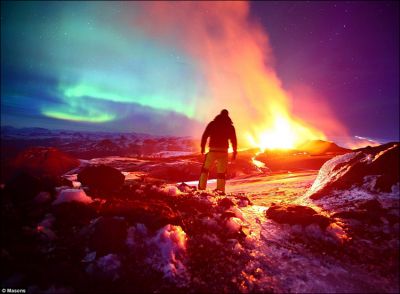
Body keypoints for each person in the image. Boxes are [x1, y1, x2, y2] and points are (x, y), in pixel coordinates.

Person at [198, 109, 237, 193]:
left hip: (213, 150)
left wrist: (202, 148)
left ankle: (201, 188)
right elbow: (234, 140)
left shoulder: (212, 124)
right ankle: (220, 191)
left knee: (205, 169)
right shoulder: (230, 126)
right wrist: (234, 152)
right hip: (223, 152)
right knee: (221, 173)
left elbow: (205, 136)